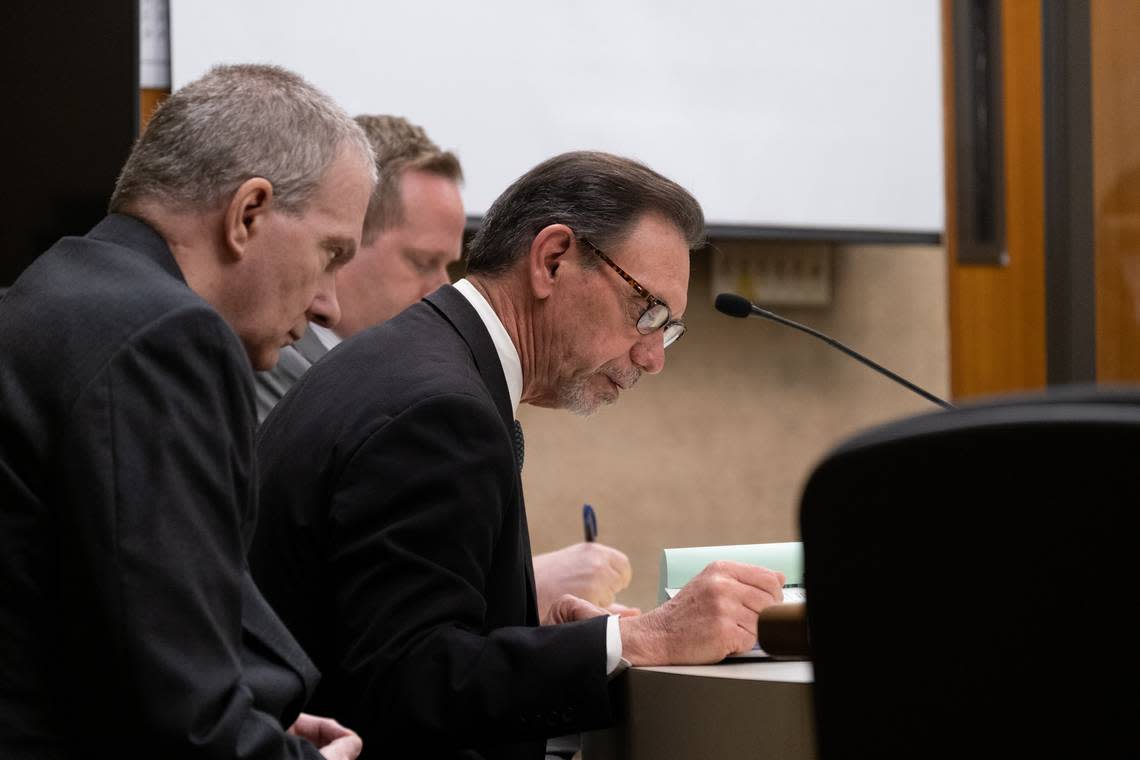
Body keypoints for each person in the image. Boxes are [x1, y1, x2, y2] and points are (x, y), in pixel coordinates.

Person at [250, 151, 787, 760]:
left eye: (668, 330)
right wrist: (638, 639)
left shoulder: (412, 358)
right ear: (552, 260)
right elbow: (410, 684)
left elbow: (390, 638)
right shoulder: (440, 411)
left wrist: (549, 641)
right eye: (647, 313)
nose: (652, 357)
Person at [0, 64, 376, 760]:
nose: (330, 304)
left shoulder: (55, 292)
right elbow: (185, 726)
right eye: (331, 254)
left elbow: (104, 644)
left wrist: (258, 715)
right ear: (248, 215)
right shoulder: (168, 338)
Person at [254, 115, 636, 619]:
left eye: (449, 265)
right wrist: (535, 585)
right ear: (344, 242)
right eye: (420, 261)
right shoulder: (270, 363)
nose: (441, 287)